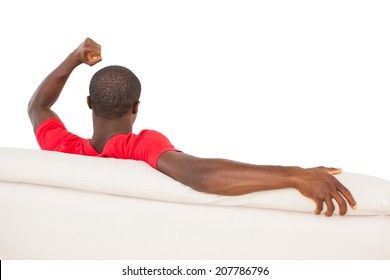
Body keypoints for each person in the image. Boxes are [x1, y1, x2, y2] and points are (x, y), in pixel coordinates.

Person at [28, 38, 357, 217]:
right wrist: (294, 174)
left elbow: (38, 106)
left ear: (88, 104)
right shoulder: (138, 146)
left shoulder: (62, 150)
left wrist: (73, 58)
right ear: (136, 108)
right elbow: (200, 174)